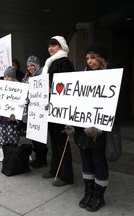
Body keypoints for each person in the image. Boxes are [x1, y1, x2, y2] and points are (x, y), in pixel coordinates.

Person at [69, 43, 115, 212]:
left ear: (101, 59)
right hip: (82, 127)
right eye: (87, 58)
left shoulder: (110, 77)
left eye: (93, 57)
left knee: (98, 161)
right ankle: (88, 191)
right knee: (86, 160)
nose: (89, 61)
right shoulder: (82, 78)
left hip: (98, 130)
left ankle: (99, 196)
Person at [41, 36, 75, 186]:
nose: (50, 48)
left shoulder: (64, 63)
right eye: (49, 45)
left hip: (60, 109)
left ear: (61, 46)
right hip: (50, 108)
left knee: (62, 142)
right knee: (54, 141)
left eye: (54, 45)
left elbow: (65, 87)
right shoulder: (50, 64)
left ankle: (66, 175)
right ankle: (55, 169)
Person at [22, 55, 48, 169]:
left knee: (40, 137)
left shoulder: (43, 76)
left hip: (40, 111)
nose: (30, 67)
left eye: (33, 65)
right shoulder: (26, 78)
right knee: (34, 136)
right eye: (28, 66)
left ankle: (42, 159)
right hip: (30, 112)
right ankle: (38, 157)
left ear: (37, 65)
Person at [0, 66, 20, 149]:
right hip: (2, 119)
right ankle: (6, 157)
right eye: (5, 76)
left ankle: (13, 158)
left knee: (12, 139)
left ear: (13, 78)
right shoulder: (0, 88)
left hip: (12, 119)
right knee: (3, 139)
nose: (6, 78)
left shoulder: (19, 88)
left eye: (9, 77)